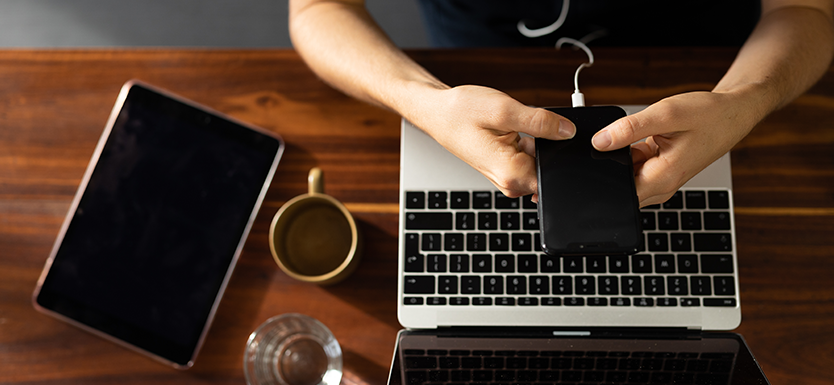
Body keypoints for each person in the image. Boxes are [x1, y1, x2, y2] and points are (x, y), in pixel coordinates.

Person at [288, 0, 834, 207]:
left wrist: (746, 99)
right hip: (472, 77)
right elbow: (318, 10)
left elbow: (805, 10)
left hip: (709, 77)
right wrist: (424, 102)